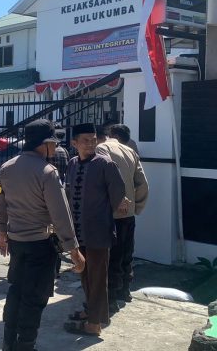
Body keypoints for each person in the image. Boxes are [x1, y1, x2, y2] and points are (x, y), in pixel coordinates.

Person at [0, 120, 84, 351]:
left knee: (16, 291)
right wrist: (73, 249)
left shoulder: (6, 168)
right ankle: (25, 345)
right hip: (40, 245)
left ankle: (8, 342)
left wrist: (2, 234)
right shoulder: (47, 172)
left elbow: (0, 204)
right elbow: (60, 213)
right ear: (43, 144)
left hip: (16, 243)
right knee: (34, 298)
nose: (55, 149)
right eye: (53, 144)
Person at [64, 123, 128, 337]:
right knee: (85, 275)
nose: (91, 144)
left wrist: (105, 210)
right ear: (74, 143)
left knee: (98, 278)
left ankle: (94, 324)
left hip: (99, 231)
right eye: (85, 140)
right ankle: (91, 312)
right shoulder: (72, 164)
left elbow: (119, 195)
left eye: (93, 139)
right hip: (78, 232)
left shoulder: (105, 164)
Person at [96, 124, 149, 309]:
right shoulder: (130, 151)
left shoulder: (102, 148)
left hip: (110, 212)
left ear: (110, 135)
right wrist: (136, 206)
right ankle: (124, 290)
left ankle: (110, 300)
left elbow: (101, 179)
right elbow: (142, 184)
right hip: (128, 214)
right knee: (126, 253)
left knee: (110, 257)